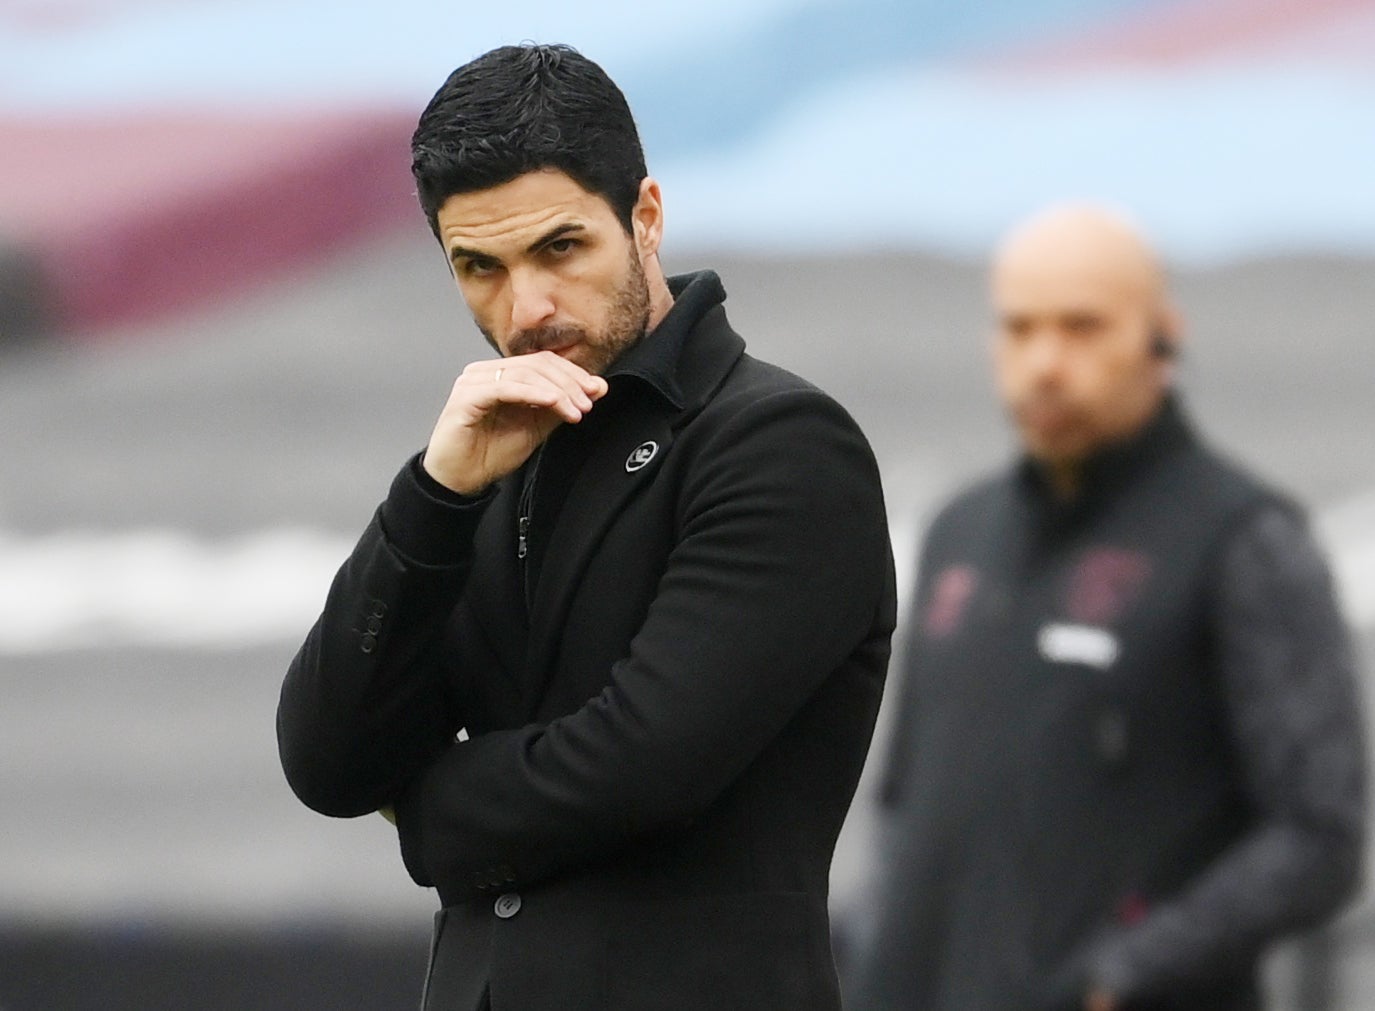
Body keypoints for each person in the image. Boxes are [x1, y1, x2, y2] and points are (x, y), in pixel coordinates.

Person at [276, 43, 895, 1010]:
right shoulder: (487, 454)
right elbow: (327, 760)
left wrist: (425, 809)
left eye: (560, 248)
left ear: (645, 216)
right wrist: (433, 497)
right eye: (477, 267)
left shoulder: (778, 442)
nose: (525, 309)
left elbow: (641, 765)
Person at [845, 205, 1366, 1010]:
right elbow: (903, 807)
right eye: (1019, 329)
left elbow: (1317, 836)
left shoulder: (1243, 540)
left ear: (1161, 337)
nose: (1045, 362)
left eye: (1081, 326)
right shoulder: (958, 532)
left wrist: (1116, 977)